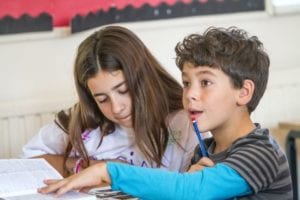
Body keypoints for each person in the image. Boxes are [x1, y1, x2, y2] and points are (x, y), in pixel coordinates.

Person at [38, 26, 293, 199]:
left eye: (205, 82)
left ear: (244, 92)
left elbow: (191, 190)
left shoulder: (261, 153)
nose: (190, 94)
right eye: (186, 83)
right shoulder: (203, 152)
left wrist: (108, 172)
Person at [22, 25, 201, 177]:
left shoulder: (183, 121)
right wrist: (88, 167)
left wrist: (113, 173)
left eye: (123, 90)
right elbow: (26, 164)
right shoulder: (83, 119)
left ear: (144, 79)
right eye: (102, 99)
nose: (117, 108)